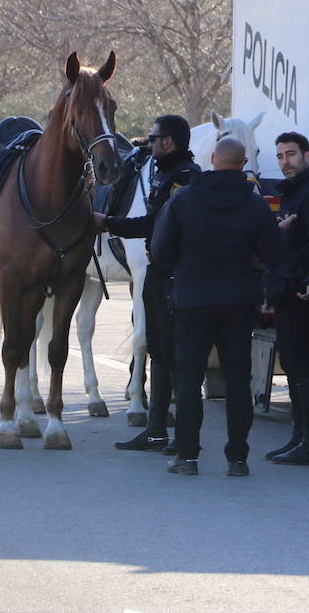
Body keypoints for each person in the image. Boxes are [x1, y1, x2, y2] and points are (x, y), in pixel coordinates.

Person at [151, 136, 282, 476]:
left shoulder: (184, 200)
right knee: (238, 381)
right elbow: (273, 254)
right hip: (239, 300)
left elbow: (160, 249)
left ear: (212, 159)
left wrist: (181, 271)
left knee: (189, 379)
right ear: (242, 165)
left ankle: (188, 456)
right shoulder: (254, 206)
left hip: (192, 299)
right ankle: (237, 459)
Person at [92, 114, 201, 453]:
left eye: (152, 138)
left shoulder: (183, 178)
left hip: (174, 278)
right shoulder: (166, 172)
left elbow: (156, 222)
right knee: (159, 352)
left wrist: (108, 222)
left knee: (177, 361)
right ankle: (155, 431)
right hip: (159, 275)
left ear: (167, 142)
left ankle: (184, 440)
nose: (147, 143)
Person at [263, 131, 309, 466]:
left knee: (302, 364)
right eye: (280, 156)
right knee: (290, 362)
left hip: (300, 289)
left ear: (305, 154)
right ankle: (299, 435)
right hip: (284, 287)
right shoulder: (291, 192)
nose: (285, 162)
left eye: (290, 155)